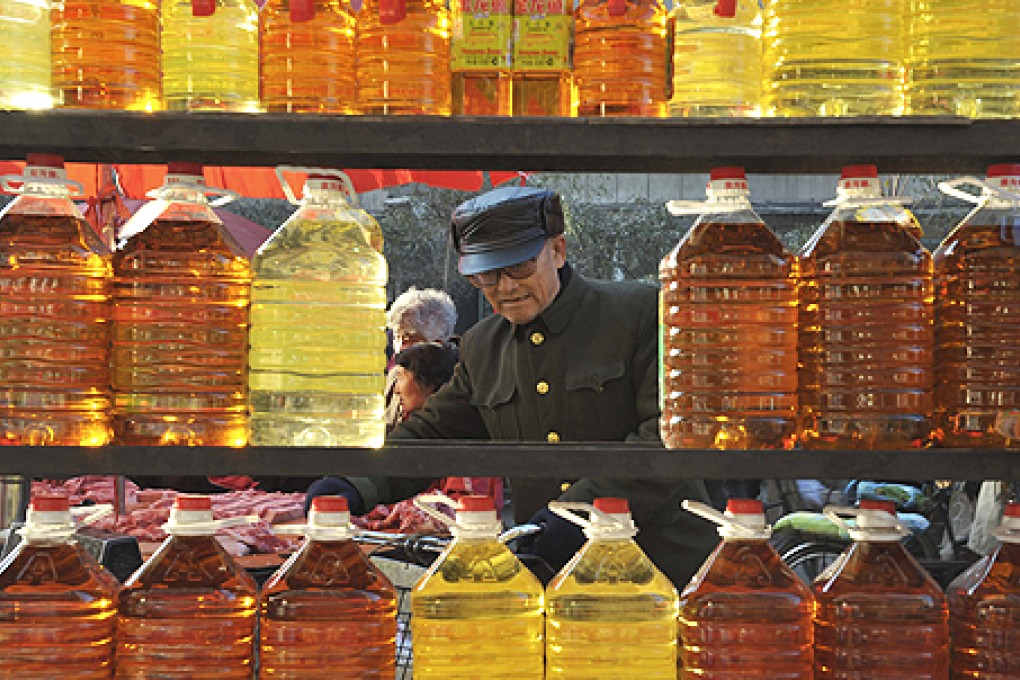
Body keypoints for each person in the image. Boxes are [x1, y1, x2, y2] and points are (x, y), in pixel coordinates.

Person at [307, 186, 716, 587]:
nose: (504, 288)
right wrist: (355, 482)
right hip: (556, 583)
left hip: (667, 572)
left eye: (519, 267)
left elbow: (667, 438)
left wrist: (579, 512)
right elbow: (433, 435)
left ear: (557, 251)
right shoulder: (483, 346)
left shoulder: (640, 315)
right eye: (486, 275)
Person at [383, 287, 458, 428]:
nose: (400, 347)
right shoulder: (394, 376)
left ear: (437, 344)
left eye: (410, 339)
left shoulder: (460, 381)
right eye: (397, 337)